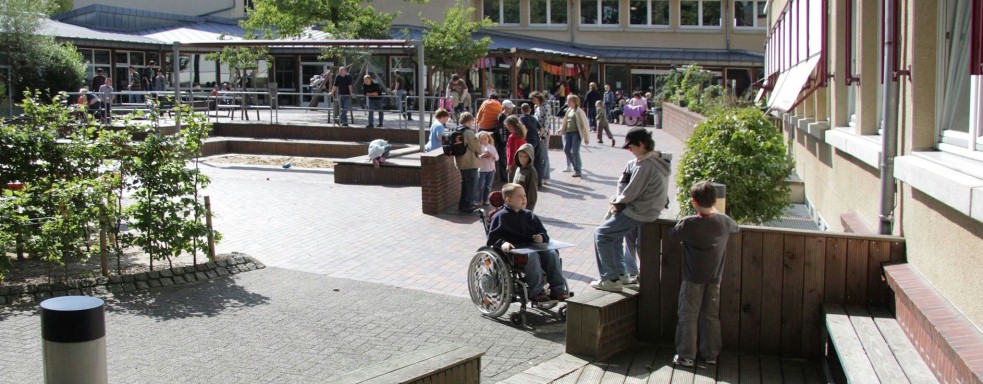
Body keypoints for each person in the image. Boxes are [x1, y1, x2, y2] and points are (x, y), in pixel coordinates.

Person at [590, 127, 671, 292]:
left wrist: (615, 202)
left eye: (632, 147)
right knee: (614, 235)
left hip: (639, 211)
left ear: (641, 144)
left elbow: (630, 192)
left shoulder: (645, 165)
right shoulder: (656, 161)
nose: (630, 151)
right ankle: (622, 275)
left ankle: (610, 279)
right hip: (649, 210)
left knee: (601, 234)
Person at [670, 181, 740, 367]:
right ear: (715, 200)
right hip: (715, 278)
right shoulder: (724, 222)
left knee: (688, 315)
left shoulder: (689, 223)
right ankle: (710, 355)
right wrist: (717, 212)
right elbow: (737, 227)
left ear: (694, 202)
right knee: (711, 315)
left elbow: (674, 235)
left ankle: (686, 356)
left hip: (692, 278)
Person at [486, 183, 569, 302]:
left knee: (552, 254)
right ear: (509, 200)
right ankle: (536, 291)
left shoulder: (530, 215)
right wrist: (503, 243)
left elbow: (544, 233)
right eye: (519, 196)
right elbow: (492, 238)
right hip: (514, 252)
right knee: (533, 256)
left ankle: (558, 289)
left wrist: (541, 236)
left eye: (524, 195)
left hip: (533, 247)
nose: (524, 198)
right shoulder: (500, 217)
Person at [453, 112, 482, 212]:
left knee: (465, 183)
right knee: (471, 184)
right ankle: (468, 204)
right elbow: (478, 148)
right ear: (469, 120)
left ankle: (463, 203)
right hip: (469, 162)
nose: (473, 123)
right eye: (472, 121)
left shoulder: (457, 129)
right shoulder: (468, 132)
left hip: (461, 161)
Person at [559, 94, 590, 177]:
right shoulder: (569, 110)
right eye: (567, 100)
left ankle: (578, 170)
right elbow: (565, 121)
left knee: (575, 151)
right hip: (568, 133)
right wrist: (561, 129)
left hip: (576, 133)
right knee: (566, 149)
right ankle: (576, 165)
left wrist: (586, 138)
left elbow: (585, 124)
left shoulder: (579, 111)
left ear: (574, 102)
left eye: (569, 101)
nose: (567, 102)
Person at [476, 95, 505, 181]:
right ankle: (501, 176)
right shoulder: (499, 105)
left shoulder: (485, 103)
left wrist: (478, 125)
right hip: (493, 128)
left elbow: (479, 115)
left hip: (483, 127)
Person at [519, 103, 545, 187]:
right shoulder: (533, 118)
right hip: (536, 139)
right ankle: (539, 181)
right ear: (529, 110)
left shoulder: (522, 118)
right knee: (538, 160)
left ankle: (528, 181)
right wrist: (540, 135)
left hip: (528, 139)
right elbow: (541, 128)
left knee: (527, 160)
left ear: (522, 110)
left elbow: (523, 128)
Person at [530, 92, 552, 183]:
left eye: (534, 100)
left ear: (539, 98)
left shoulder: (546, 107)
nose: (534, 102)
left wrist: (543, 136)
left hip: (544, 134)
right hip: (537, 133)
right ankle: (541, 175)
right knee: (540, 154)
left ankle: (545, 176)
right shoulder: (537, 107)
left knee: (544, 154)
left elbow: (546, 122)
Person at [512, 144, 539, 211]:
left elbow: (532, 191)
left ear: (530, 157)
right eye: (520, 156)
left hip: (524, 205)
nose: (522, 159)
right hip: (515, 203)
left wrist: (529, 208)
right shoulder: (518, 168)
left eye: (525, 157)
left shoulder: (531, 171)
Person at [476, 131, 498, 206]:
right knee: (480, 185)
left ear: (488, 139)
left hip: (491, 169)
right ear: (479, 140)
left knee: (488, 186)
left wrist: (492, 156)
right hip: (481, 169)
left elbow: (497, 157)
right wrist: (482, 156)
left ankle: (485, 200)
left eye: (485, 139)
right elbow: (476, 157)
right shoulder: (479, 147)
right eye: (482, 139)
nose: (484, 141)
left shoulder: (492, 147)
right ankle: (478, 200)